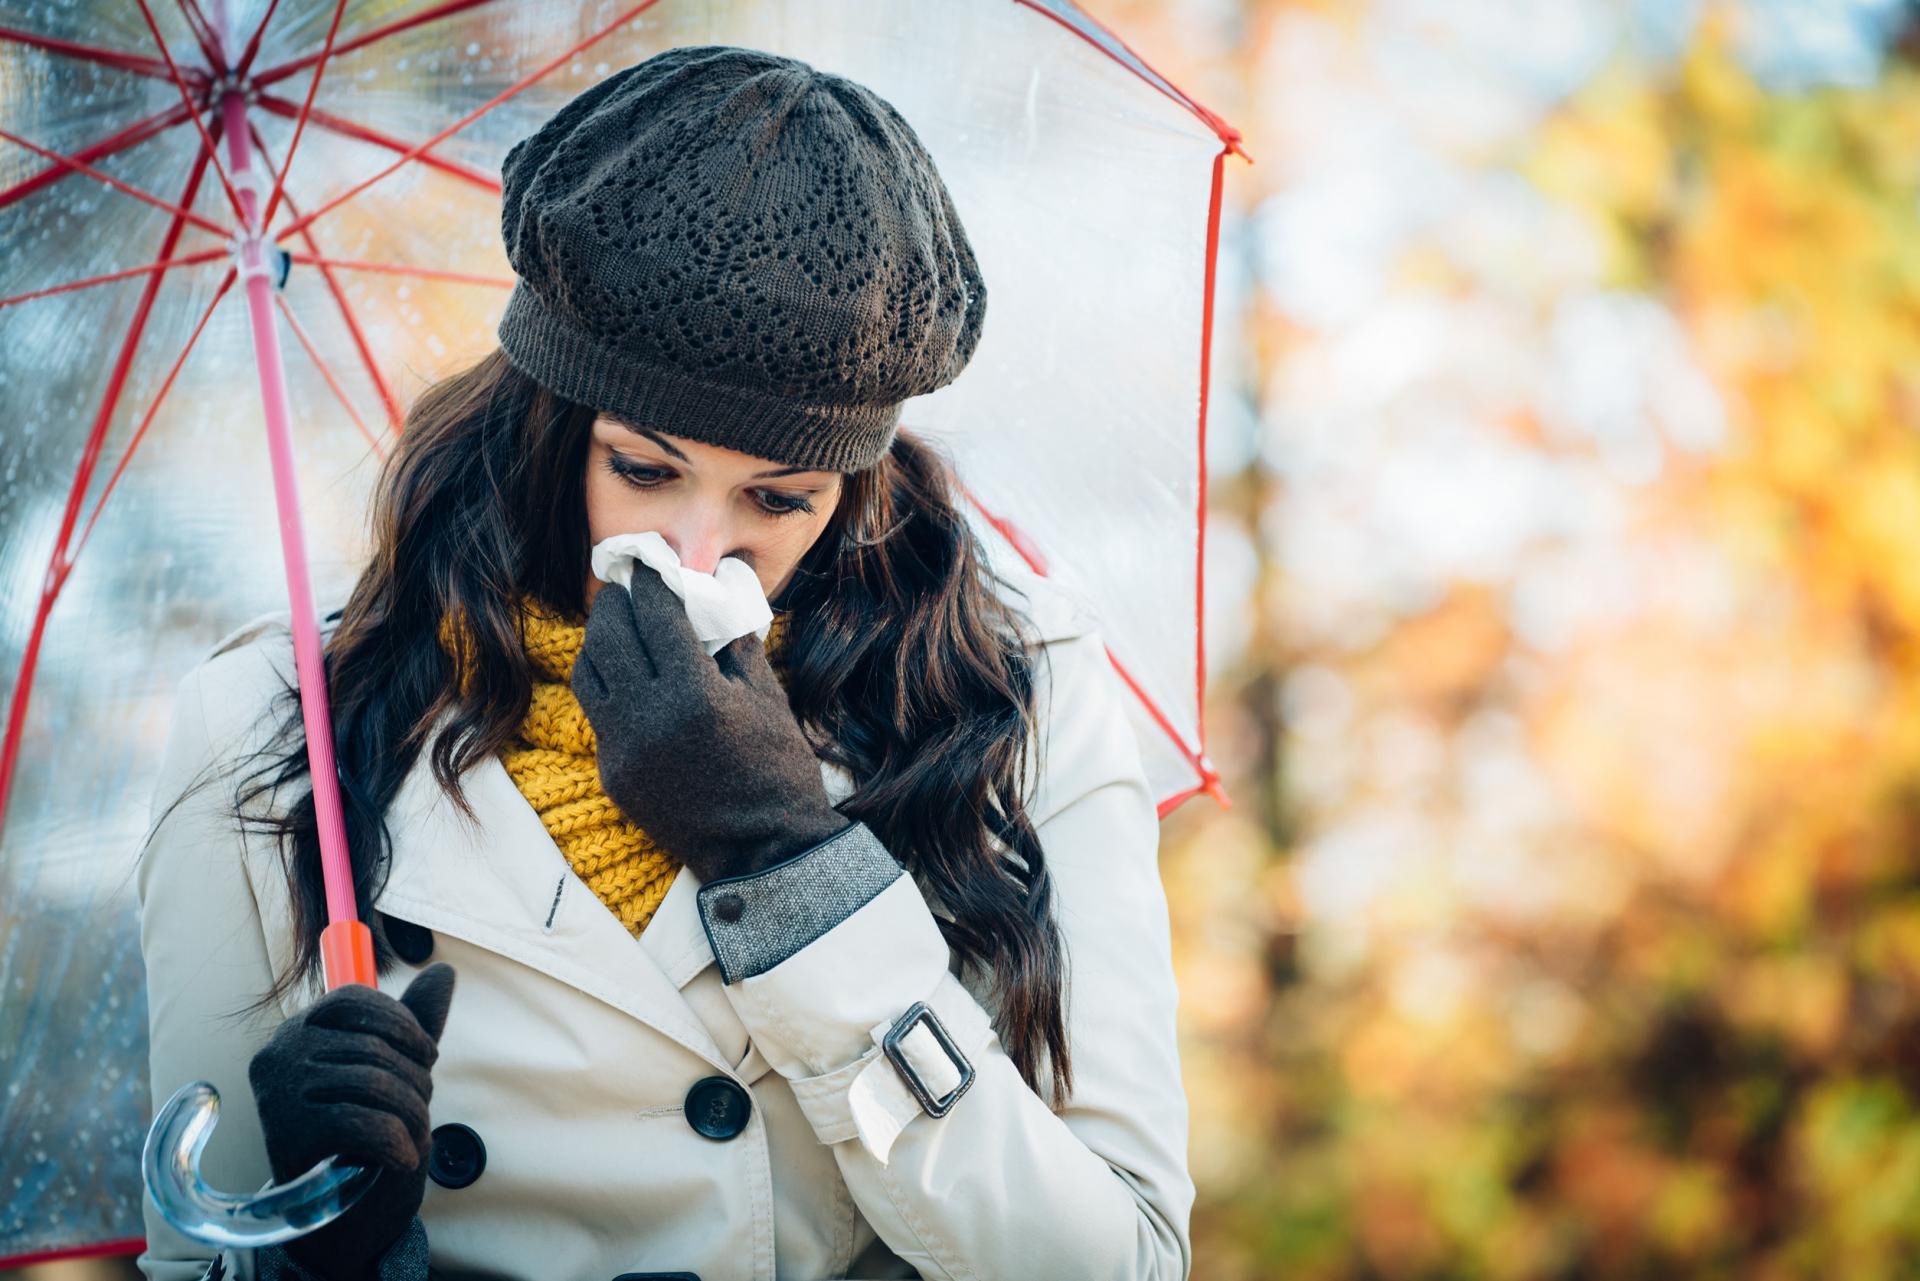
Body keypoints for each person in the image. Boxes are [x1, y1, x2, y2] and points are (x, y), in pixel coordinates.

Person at [136, 44, 1193, 1281]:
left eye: (780, 499)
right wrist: (324, 1255)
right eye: (641, 469)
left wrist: (791, 869)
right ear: (549, 424)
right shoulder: (274, 726)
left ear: (852, 486)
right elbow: (193, 1259)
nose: (698, 552)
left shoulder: (1013, 696)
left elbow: (1125, 1258)